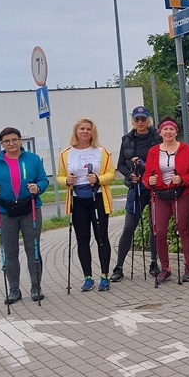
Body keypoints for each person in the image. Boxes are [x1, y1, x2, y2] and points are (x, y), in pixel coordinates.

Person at [0, 127, 50, 304]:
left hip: (30, 209)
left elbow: (43, 179)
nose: (11, 143)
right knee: (10, 252)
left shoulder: (33, 159)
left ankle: (36, 286)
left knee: (32, 249)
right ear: (2, 144)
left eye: (14, 140)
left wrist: (39, 188)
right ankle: (14, 289)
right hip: (5, 211)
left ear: (21, 140)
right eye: (7, 141)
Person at [57, 118, 116, 293]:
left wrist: (98, 179)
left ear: (93, 132)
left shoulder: (101, 151)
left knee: (102, 238)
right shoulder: (66, 153)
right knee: (82, 240)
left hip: (97, 198)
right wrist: (66, 181)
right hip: (78, 200)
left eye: (88, 129)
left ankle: (104, 276)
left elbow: (111, 174)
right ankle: (87, 277)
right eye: (82, 129)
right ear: (76, 131)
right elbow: (59, 176)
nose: (85, 132)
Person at [143, 117, 189, 285]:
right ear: (160, 132)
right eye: (165, 129)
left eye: (171, 129)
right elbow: (147, 175)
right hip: (160, 194)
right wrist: (149, 181)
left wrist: (181, 179)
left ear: (176, 132)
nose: (168, 132)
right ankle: (165, 268)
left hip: (180, 193)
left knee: (183, 228)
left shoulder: (186, 149)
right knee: (159, 231)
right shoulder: (153, 151)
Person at [113, 106, 162, 281]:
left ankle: (154, 263)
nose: (140, 122)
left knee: (154, 228)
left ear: (149, 120)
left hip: (154, 187)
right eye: (137, 119)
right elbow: (120, 164)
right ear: (133, 121)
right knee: (128, 228)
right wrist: (129, 175)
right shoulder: (126, 139)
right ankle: (118, 267)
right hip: (136, 188)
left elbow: (162, 162)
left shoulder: (158, 137)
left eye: (143, 119)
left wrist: (145, 165)